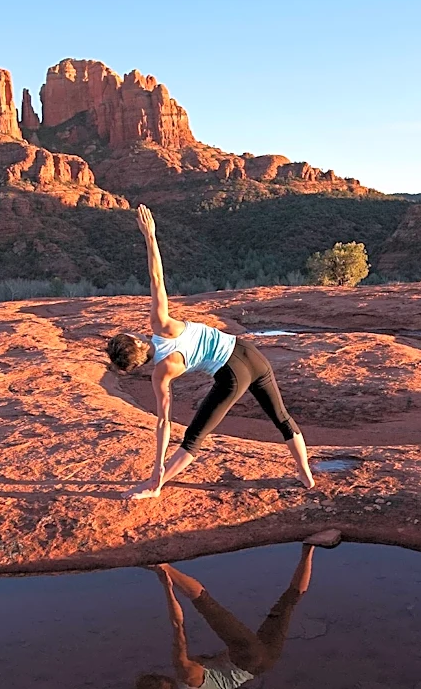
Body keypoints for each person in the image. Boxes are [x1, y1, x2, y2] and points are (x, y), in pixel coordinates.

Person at [106, 205, 315, 500]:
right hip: (249, 352)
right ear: (137, 340)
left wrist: (157, 467)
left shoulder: (160, 374)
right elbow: (156, 278)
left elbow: (164, 422)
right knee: (281, 417)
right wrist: (150, 237)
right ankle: (305, 474)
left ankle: (156, 486)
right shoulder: (161, 325)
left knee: (194, 438)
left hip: (231, 375)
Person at [136, 544, 315, 688]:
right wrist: (167, 587)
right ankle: (163, 566)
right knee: (206, 604)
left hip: (265, 664)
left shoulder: (188, 677)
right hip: (245, 656)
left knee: (288, 602)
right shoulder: (185, 673)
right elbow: (178, 625)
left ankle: (309, 547)